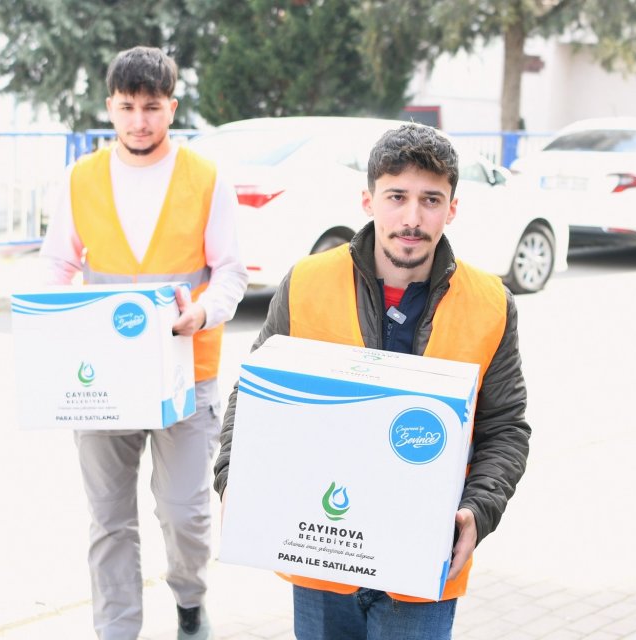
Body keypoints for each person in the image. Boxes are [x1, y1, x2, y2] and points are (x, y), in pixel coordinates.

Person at [213, 123, 530, 639]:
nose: (412, 218)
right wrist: (234, 478)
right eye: (396, 196)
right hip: (320, 554)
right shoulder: (307, 282)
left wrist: (478, 511)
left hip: (422, 562)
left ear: (452, 209)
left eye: (431, 200)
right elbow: (253, 396)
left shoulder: (491, 303)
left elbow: (506, 429)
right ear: (368, 201)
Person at [40, 46, 248, 640]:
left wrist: (203, 311)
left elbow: (232, 270)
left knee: (184, 512)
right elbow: (57, 266)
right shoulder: (81, 178)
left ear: (171, 108)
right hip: (102, 379)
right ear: (110, 108)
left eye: (152, 107)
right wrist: (54, 330)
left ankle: (189, 598)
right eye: (127, 107)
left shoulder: (207, 179)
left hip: (186, 372)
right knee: (109, 521)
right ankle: (117, 630)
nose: (139, 121)